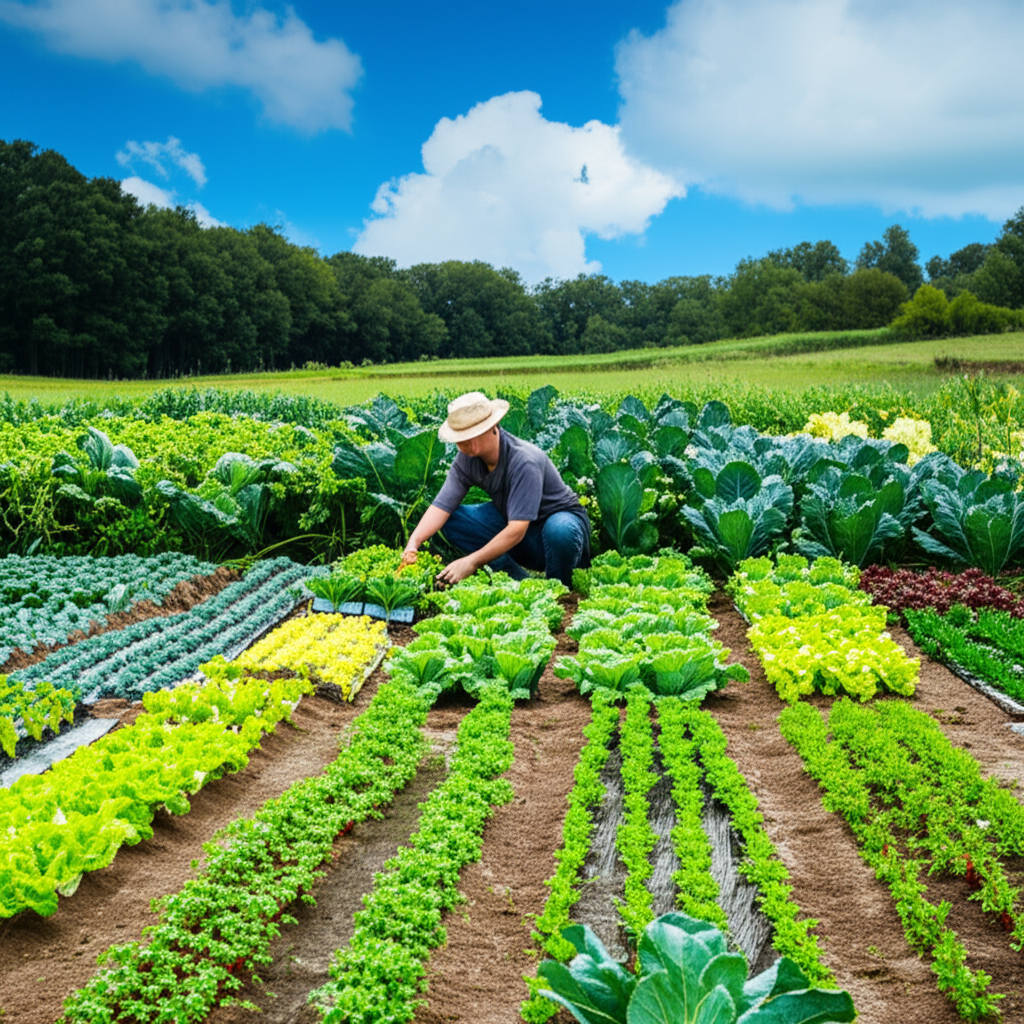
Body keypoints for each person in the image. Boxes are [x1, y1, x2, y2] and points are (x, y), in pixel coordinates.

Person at [399, 391, 591, 587]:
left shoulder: (524, 461)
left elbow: (517, 530)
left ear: (493, 427)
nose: (466, 443)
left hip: (558, 531)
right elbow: (441, 506)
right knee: (451, 519)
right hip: (515, 525)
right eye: (461, 437)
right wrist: (412, 544)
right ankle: (519, 580)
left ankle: (559, 587)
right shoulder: (466, 459)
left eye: (473, 434)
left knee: (559, 530)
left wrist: (471, 562)